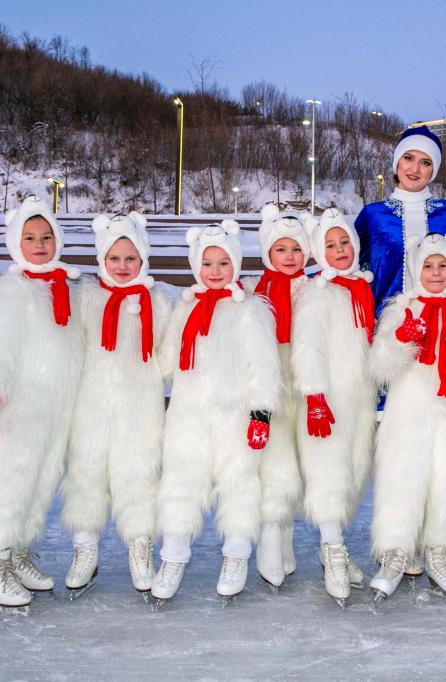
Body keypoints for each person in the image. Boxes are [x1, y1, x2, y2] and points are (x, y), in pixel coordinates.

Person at [151, 220, 282, 601]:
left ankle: (236, 554)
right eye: (207, 264)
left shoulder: (250, 309)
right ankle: (173, 556)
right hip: (188, 415)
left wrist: (260, 412)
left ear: (236, 265)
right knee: (181, 483)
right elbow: (166, 362)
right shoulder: (187, 305)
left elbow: (263, 363)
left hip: (234, 416)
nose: (214, 271)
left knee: (239, 483)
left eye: (223, 263)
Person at [0, 195, 84, 611]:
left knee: (39, 486)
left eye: (47, 236)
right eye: (30, 237)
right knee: (10, 484)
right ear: (16, 243)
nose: (39, 244)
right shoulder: (11, 290)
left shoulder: (64, 288)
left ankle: (17, 555)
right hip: (19, 406)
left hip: (55, 409)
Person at [367, 233, 446, 602]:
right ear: (416, 269)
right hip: (409, 410)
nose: (436, 273)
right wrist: (401, 340)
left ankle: (438, 551)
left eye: (443, 266)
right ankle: (396, 552)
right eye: (428, 266)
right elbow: (379, 367)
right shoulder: (400, 308)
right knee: (402, 477)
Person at [60, 212, 172, 598]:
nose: (122, 267)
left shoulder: (157, 302)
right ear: (101, 261)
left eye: (130, 259)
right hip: (90, 404)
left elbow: (168, 354)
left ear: (143, 260)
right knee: (87, 474)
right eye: (114, 259)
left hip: (139, 407)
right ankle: (85, 548)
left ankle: (140, 548)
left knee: (138, 476)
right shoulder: (87, 299)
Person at [291, 209, 377, 604]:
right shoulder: (316, 291)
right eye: (330, 245)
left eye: (345, 243)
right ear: (318, 251)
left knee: (354, 473)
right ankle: (334, 547)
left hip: (359, 397)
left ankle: (331, 547)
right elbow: (307, 346)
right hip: (326, 398)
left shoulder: (361, 287)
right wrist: (314, 395)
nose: (340, 250)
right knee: (328, 473)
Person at [241, 204, 310, 589]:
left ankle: (285, 533)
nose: (289, 257)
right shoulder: (255, 290)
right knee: (273, 461)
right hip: (268, 383)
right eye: (281, 249)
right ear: (268, 252)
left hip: (303, 383)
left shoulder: (313, 289)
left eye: (296, 250)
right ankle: (269, 531)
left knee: (297, 463)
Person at [354, 125, 446, 316]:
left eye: (425, 162)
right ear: (397, 162)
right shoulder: (373, 215)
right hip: (386, 324)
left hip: (442, 323)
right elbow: (349, 265)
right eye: (408, 158)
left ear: (433, 170)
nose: (415, 169)